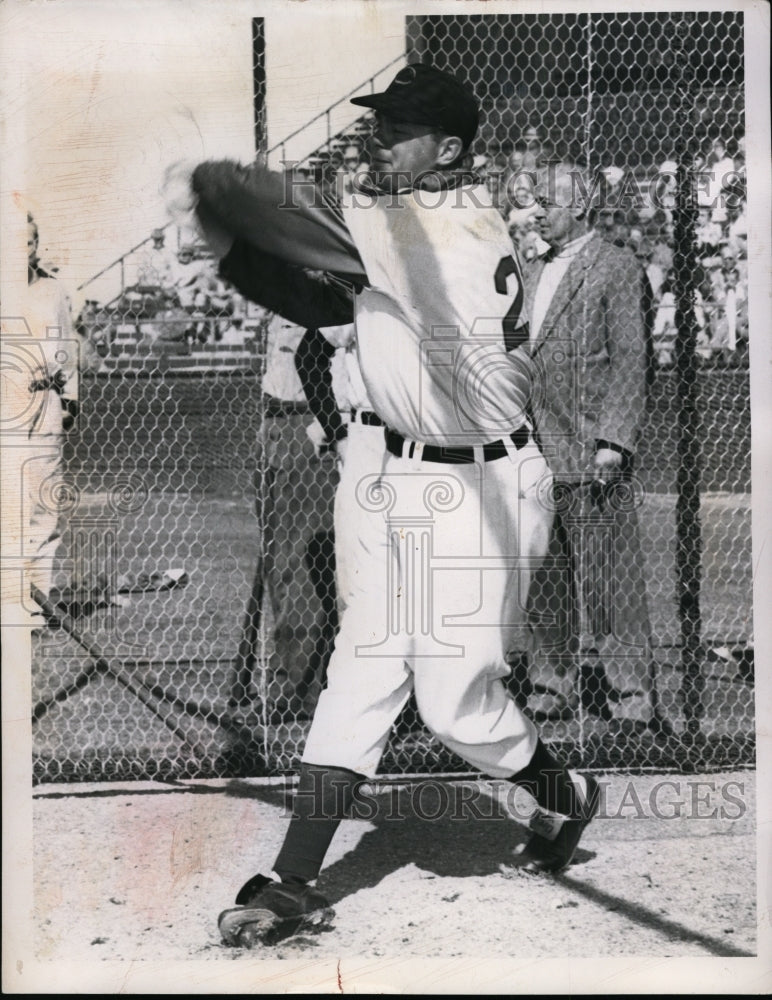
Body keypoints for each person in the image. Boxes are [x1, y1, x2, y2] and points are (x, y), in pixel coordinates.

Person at [167, 63, 600, 949]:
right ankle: (294, 879)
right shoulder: (415, 222)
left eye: (400, 129)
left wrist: (216, 200)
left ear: (449, 149)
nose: (380, 138)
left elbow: (285, 220)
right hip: (407, 474)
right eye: (381, 123)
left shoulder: (436, 224)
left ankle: (567, 798)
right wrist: (243, 254)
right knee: (363, 668)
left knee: (453, 703)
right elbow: (322, 295)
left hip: (489, 488)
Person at [520, 161, 666, 736]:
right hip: (534, 445)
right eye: (535, 203)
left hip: (589, 446)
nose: (537, 212)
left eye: (547, 203)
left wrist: (614, 440)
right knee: (546, 575)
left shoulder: (616, 265)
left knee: (610, 580)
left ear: (578, 205)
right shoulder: (532, 269)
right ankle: (549, 684)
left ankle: (632, 693)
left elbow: (633, 359)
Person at [228, 312, 341, 721]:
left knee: (300, 567)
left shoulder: (326, 283)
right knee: (280, 566)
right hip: (276, 423)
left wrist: (321, 431)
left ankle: (302, 688)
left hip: (304, 424)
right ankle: (291, 676)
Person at [24, 215, 82, 613]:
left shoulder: (51, 291)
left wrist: (69, 401)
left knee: (44, 505)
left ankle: (36, 605)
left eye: (27, 242)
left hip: (44, 401)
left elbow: (66, 350)